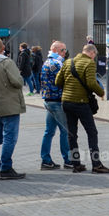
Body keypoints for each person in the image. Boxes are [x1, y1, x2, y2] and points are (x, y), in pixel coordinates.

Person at [58, 43, 109, 173]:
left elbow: (58, 81)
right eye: (94, 55)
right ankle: (96, 165)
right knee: (92, 132)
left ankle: (76, 164)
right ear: (92, 53)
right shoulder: (89, 63)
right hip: (81, 103)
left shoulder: (68, 62)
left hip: (66, 102)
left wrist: (68, 91)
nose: (94, 58)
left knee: (72, 134)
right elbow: (91, 83)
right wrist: (102, 92)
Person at [0, 37, 26, 179]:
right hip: (10, 105)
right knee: (9, 138)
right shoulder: (7, 62)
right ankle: (6, 168)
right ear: (2, 49)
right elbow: (17, 82)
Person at [39, 41, 72, 170]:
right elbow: (64, 81)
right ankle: (68, 160)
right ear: (57, 50)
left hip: (48, 100)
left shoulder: (46, 62)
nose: (65, 53)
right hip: (57, 100)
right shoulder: (57, 63)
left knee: (49, 132)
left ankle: (46, 160)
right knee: (65, 131)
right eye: (64, 50)